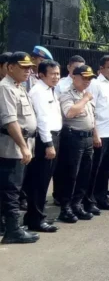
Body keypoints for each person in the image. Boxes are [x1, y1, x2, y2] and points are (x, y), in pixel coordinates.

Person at [0, 52, 39, 244]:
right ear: (10, 67)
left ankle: (12, 227)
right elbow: (10, 121)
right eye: (23, 67)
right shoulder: (5, 88)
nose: (28, 70)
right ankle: (12, 231)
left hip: (23, 145)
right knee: (11, 190)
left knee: (15, 188)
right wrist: (24, 147)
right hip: (12, 146)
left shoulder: (19, 87)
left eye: (29, 67)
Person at [22, 60, 61, 233]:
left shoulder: (49, 90)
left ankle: (34, 216)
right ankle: (35, 219)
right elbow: (43, 121)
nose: (56, 77)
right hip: (45, 139)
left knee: (44, 180)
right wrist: (49, 144)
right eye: (52, 74)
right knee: (39, 181)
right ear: (41, 74)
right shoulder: (39, 92)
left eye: (58, 73)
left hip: (53, 137)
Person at [56, 65, 98, 223]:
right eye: (84, 77)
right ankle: (65, 208)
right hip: (73, 137)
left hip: (87, 138)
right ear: (74, 77)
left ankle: (77, 204)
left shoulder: (84, 94)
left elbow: (92, 118)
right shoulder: (68, 94)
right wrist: (85, 99)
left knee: (84, 175)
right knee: (70, 175)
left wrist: (95, 135)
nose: (87, 81)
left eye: (90, 78)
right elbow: (69, 112)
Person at [85, 55, 109, 212]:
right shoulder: (95, 84)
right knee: (94, 169)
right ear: (101, 68)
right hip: (99, 134)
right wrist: (95, 133)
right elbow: (90, 110)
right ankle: (89, 200)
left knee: (106, 169)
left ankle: (101, 198)